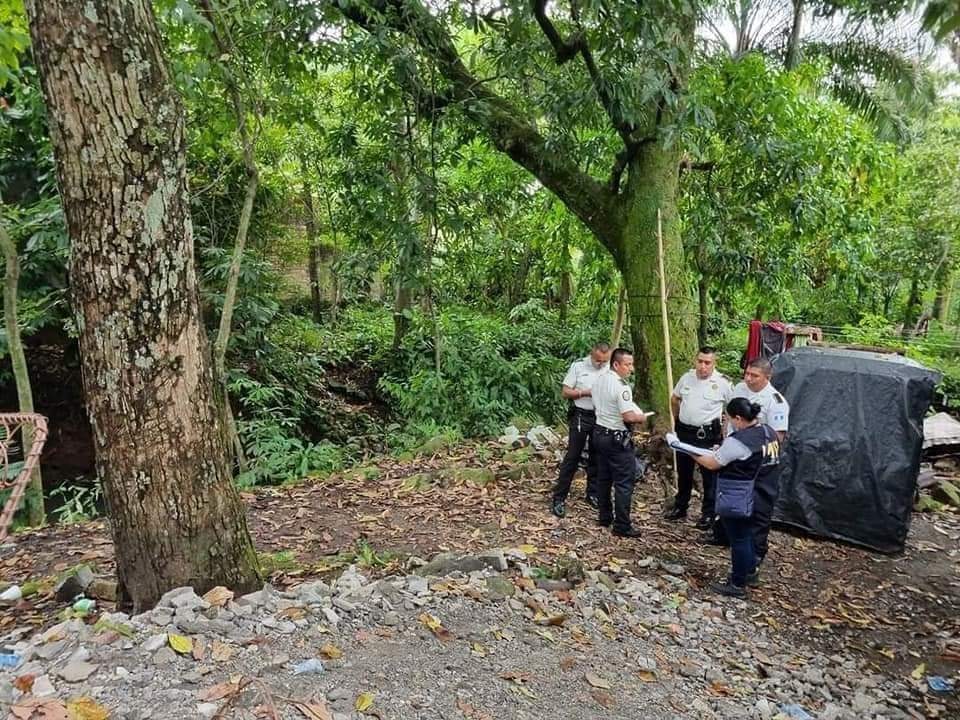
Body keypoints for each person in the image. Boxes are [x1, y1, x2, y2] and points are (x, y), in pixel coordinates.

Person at [703, 357, 789, 585]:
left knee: (751, 528)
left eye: (755, 376)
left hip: (756, 473)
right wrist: (726, 444)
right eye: (747, 374)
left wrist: (740, 451)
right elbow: (727, 422)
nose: (748, 379)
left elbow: (776, 438)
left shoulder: (775, 402)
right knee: (733, 521)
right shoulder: (739, 390)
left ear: (767, 377)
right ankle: (734, 552)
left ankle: (749, 569)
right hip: (734, 461)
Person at [687, 397, 781, 597]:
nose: (728, 423)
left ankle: (737, 584)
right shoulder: (769, 433)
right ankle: (750, 572)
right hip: (765, 493)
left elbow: (712, 464)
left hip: (741, 496)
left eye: (729, 419)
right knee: (748, 537)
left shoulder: (738, 440)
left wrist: (689, 452)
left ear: (738, 418)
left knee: (739, 539)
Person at [666, 346, 732, 529]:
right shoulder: (687, 378)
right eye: (700, 361)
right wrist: (678, 419)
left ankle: (709, 514)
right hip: (685, 432)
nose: (703, 366)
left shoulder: (722, 383)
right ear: (695, 361)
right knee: (684, 472)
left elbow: (731, 408)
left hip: (708, 435)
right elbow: (675, 398)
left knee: (709, 476)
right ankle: (681, 506)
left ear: (714, 364)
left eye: (707, 363)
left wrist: (725, 431)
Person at [591, 348, 651, 538]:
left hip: (599, 432)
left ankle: (604, 516)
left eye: (631, 364)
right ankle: (622, 524)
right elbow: (628, 415)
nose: (630, 369)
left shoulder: (600, 379)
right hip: (616, 438)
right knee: (624, 482)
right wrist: (641, 417)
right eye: (627, 364)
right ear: (616, 364)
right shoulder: (621, 386)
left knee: (604, 477)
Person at [550, 342, 612, 518]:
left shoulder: (609, 369)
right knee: (573, 456)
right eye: (598, 360)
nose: (600, 364)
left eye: (604, 361)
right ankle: (559, 497)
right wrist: (585, 393)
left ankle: (592, 493)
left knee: (597, 456)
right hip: (581, 414)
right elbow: (565, 392)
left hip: (600, 415)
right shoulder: (578, 366)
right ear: (592, 354)